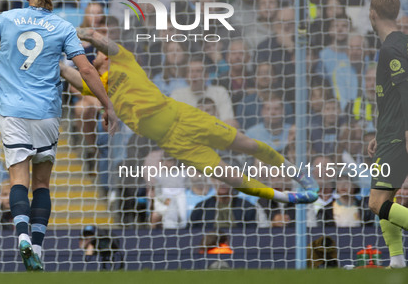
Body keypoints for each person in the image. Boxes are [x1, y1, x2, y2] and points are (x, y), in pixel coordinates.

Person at [60, 29, 320, 209]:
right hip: (172, 142)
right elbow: (70, 75)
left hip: (185, 117)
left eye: (98, 54)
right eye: (94, 57)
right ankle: (287, 198)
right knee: (226, 174)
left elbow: (99, 39)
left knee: (247, 145)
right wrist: (58, 65)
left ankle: (298, 175)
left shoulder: (124, 61)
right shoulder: (98, 88)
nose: (97, 57)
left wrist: (83, 34)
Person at [0, 0, 114, 271]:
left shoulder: (6, 18)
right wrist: (106, 105)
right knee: (42, 183)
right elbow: (85, 70)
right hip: (46, 112)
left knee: (19, 180)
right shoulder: (63, 27)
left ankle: (21, 235)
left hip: (13, 112)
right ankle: (38, 247)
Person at [367, 0, 408, 269]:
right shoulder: (402, 43)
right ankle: (396, 259)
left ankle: (396, 258)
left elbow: (406, 90)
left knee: (376, 202)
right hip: (389, 133)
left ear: (372, 15)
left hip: (397, 136)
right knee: (388, 198)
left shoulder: (391, 48)